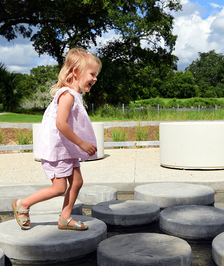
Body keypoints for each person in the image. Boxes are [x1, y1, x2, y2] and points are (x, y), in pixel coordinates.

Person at [12, 47, 101, 230]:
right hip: (57, 149)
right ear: (76, 72)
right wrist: (81, 143)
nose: (95, 78)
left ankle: (64, 219)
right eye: (92, 74)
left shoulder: (75, 95)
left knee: (77, 181)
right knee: (59, 188)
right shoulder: (67, 95)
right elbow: (61, 124)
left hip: (65, 148)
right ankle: (23, 204)